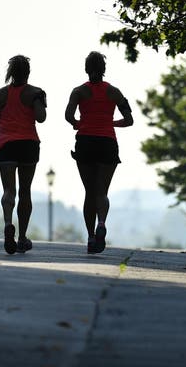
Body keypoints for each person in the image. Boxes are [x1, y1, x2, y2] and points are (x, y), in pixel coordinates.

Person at [65, 51, 133, 254]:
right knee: (102, 191)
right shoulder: (114, 92)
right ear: (104, 69)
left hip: (85, 142)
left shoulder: (78, 92)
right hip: (107, 142)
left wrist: (79, 123)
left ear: (86, 69)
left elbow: (68, 115)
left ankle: (91, 237)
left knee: (89, 192)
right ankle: (101, 223)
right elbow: (129, 119)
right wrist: (110, 123)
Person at [0, 55, 46, 254]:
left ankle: (7, 224)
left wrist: (6, 122)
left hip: (6, 146)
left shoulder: (1, 94)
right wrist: (38, 102)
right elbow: (41, 118)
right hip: (28, 144)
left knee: (8, 191)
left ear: (10, 72)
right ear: (28, 72)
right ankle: (21, 238)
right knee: (25, 191)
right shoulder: (36, 93)